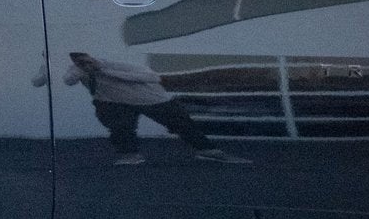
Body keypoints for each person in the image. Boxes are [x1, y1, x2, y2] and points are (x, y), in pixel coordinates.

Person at [64, 52, 248, 165]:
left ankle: (208, 151)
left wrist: (103, 71)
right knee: (120, 128)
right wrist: (81, 71)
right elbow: (68, 81)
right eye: (80, 63)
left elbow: (152, 78)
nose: (86, 65)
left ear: (94, 58)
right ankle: (130, 155)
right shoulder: (77, 70)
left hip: (151, 99)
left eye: (88, 61)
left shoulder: (117, 65)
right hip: (113, 103)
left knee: (181, 123)